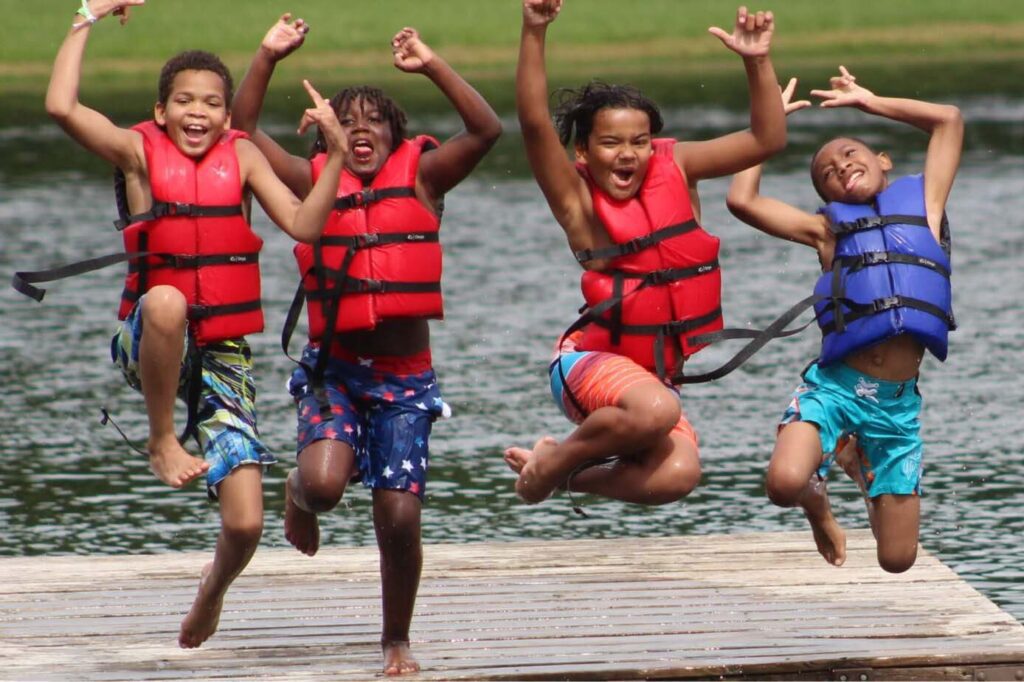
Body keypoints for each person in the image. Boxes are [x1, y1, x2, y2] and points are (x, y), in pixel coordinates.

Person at [44, 0, 348, 649]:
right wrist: (86, 17)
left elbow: (305, 224)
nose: (197, 113)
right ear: (160, 112)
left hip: (222, 352)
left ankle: (211, 591)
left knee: (244, 524)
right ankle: (161, 439)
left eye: (212, 102)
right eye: (184, 101)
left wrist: (340, 156)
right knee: (167, 302)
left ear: (227, 113)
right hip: (146, 340)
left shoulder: (242, 158)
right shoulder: (137, 153)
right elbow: (62, 107)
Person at [230, 13, 501, 675]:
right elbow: (238, 134)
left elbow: (488, 129)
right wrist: (266, 58)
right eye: (345, 119)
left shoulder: (427, 181)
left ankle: (395, 641)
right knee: (324, 487)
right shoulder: (308, 181)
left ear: (397, 136)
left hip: (407, 381)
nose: (360, 128)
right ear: (327, 137)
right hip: (336, 373)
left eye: (375, 119)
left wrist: (431, 63)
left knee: (399, 517)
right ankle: (299, 492)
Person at [504, 1, 786, 509]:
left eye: (640, 141)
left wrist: (757, 60)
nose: (628, 153)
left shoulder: (676, 168)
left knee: (678, 474)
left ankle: (555, 466)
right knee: (658, 409)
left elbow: (767, 138)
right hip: (586, 365)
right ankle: (555, 462)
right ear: (584, 153)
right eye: (611, 143)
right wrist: (534, 30)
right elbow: (532, 123)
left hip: (648, 385)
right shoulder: (577, 203)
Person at [726, 67, 963, 572]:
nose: (839, 167)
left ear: (882, 160)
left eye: (850, 155)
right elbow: (741, 201)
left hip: (896, 409)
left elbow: (948, 120)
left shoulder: (925, 207)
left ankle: (856, 462)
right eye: (826, 172)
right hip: (835, 389)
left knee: (897, 559)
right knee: (784, 483)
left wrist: (869, 101)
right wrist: (765, 131)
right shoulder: (825, 233)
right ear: (827, 196)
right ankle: (818, 504)